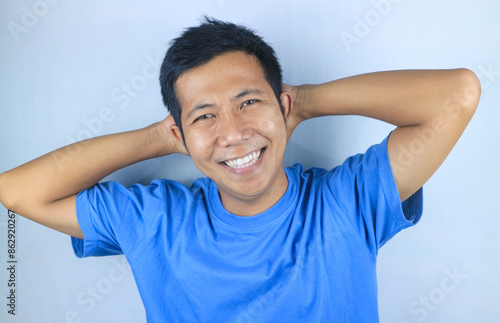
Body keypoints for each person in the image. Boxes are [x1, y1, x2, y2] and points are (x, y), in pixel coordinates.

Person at [0, 17, 480, 322]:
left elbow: (457, 94)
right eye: (204, 115)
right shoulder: (155, 220)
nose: (232, 133)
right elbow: (17, 191)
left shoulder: (349, 202)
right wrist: (155, 138)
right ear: (181, 134)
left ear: (283, 105)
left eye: (250, 102)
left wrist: (306, 102)